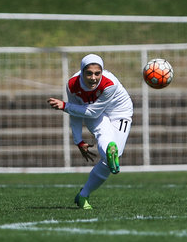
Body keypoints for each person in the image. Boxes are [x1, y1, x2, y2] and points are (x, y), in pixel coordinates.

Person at [47, 54, 133, 210]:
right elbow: (76, 114)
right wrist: (78, 140)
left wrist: (65, 106)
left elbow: (92, 112)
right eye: (89, 73)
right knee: (106, 143)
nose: (93, 78)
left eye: (97, 73)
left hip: (119, 111)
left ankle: (83, 195)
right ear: (81, 72)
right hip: (91, 110)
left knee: (111, 159)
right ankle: (107, 155)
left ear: (102, 72)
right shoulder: (73, 85)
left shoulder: (109, 83)